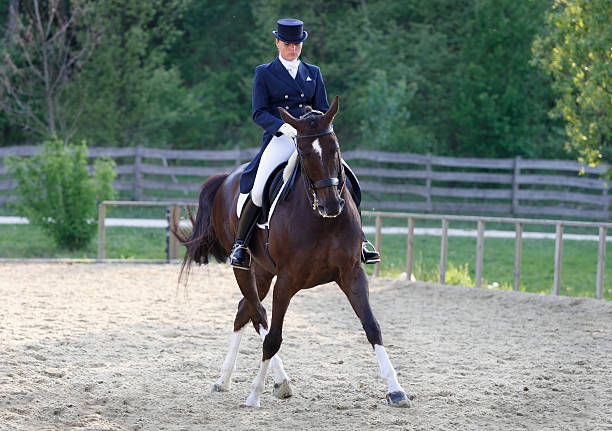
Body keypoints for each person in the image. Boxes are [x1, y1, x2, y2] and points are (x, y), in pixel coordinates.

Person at [230, 18, 380, 270]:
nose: (293, 48)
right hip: (282, 138)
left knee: (347, 180)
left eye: (297, 44)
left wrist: (321, 130)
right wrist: (282, 126)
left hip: (312, 140)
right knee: (257, 190)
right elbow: (258, 112)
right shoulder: (264, 72)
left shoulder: (313, 72)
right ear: (278, 43)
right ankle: (241, 245)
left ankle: (361, 241)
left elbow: (322, 107)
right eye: (288, 43)